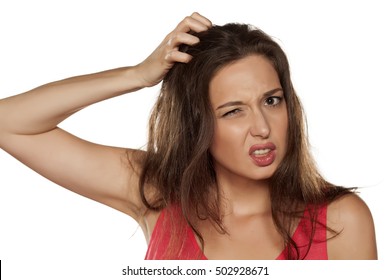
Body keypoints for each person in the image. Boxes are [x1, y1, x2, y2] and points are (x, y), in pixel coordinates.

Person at [0, 12, 377, 260]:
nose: (262, 127)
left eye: (272, 100)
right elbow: (8, 122)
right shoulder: (157, 192)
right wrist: (138, 75)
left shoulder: (341, 220)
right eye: (233, 111)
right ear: (197, 123)